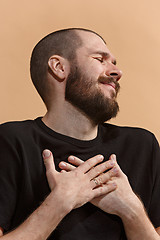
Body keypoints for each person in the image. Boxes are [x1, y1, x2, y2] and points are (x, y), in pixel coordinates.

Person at [0, 28, 160, 240]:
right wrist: (58, 204)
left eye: (113, 62)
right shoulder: (11, 142)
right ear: (59, 67)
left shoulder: (142, 145)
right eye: (100, 59)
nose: (117, 72)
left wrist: (132, 210)